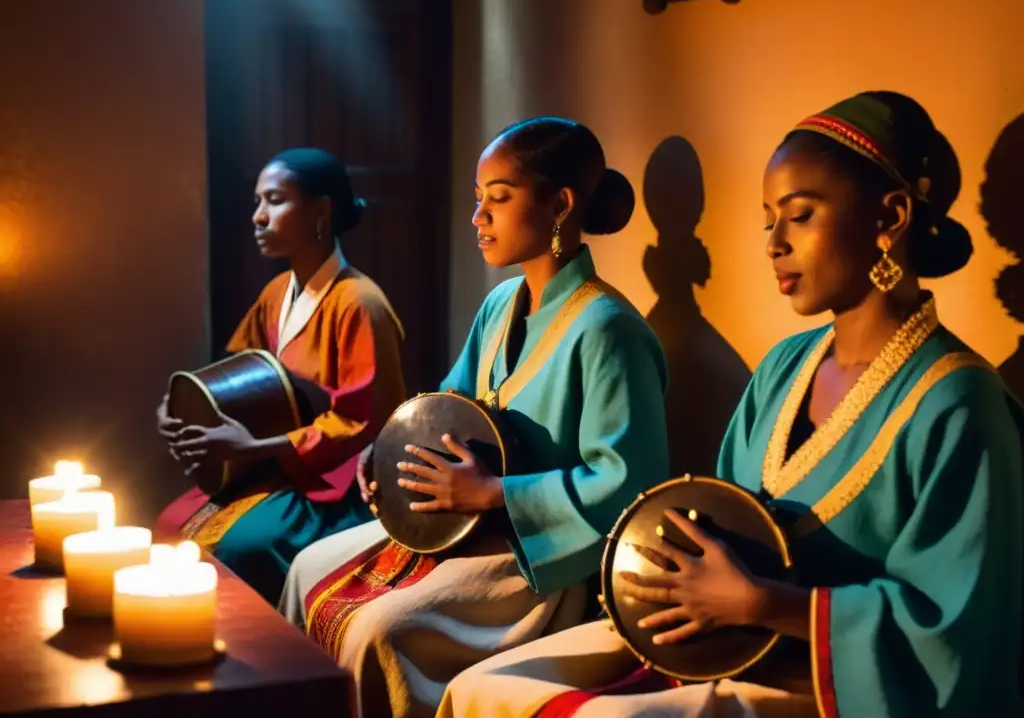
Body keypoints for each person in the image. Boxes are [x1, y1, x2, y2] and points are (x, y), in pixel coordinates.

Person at [438, 92, 1024, 717]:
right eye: (768, 218)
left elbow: (958, 631)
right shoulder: (783, 367)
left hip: (836, 681)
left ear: (891, 218)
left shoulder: (960, 403)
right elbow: (718, 515)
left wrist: (763, 604)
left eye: (799, 216)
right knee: (481, 689)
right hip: (723, 637)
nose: (773, 242)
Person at [279, 117, 671, 717]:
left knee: (376, 630)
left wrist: (496, 493)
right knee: (307, 567)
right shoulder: (499, 305)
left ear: (560, 205)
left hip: (540, 556)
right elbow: (446, 409)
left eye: (499, 198)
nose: (477, 217)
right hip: (463, 523)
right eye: (477, 199)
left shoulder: (610, 332)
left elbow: (630, 483)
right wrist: (385, 452)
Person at [154, 148, 407, 604]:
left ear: (320, 212)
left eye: (274, 201)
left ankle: (267, 660)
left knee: (233, 547)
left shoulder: (359, 303)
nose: (258, 216)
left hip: (338, 480)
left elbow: (362, 422)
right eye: (257, 202)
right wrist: (177, 409)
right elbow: (232, 376)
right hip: (277, 463)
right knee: (172, 524)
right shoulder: (276, 293)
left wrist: (256, 447)